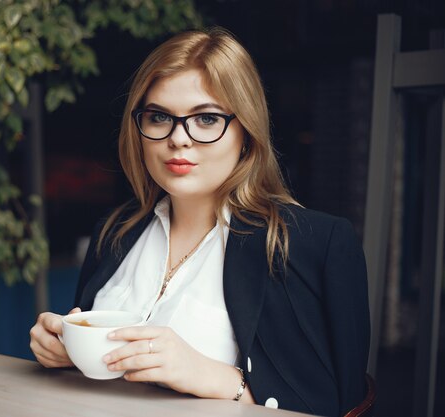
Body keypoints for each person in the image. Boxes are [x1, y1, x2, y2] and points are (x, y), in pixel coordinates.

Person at [29, 27, 370, 417]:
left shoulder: (310, 244)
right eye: (159, 117)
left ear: (246, 131)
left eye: (206, 119)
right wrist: (65, 352)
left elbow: (340, 404)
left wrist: (219, 378)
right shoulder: (115, 231)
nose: (178, 139)